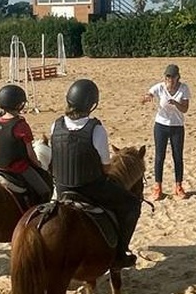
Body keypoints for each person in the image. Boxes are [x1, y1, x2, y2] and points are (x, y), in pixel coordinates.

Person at [50, 79, 141, 268]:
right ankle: (120, 253)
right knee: (132, 205)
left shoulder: (55, 125)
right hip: (90, 189)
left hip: (61, 188)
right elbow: (106, 167)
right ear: (92, 104)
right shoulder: (96, 130)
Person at [0, 84, 52, 204]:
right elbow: (30, 154)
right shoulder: (21, 125)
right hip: (19, 169)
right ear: (19, 105)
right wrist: (38, 164)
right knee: (46, 191)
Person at [141, 63, 191, 200]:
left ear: (178, 77)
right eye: (167, 77)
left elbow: (185, 109)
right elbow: (147, 95)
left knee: (177, 157)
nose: (169, 80)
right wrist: (147, 97)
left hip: (177, 127)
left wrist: (176, 103)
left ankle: (178, 187)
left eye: (172, 77)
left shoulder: (184, 88)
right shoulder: (160, 87)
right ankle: (158, 187)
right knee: (159, 157)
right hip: (161, 126)